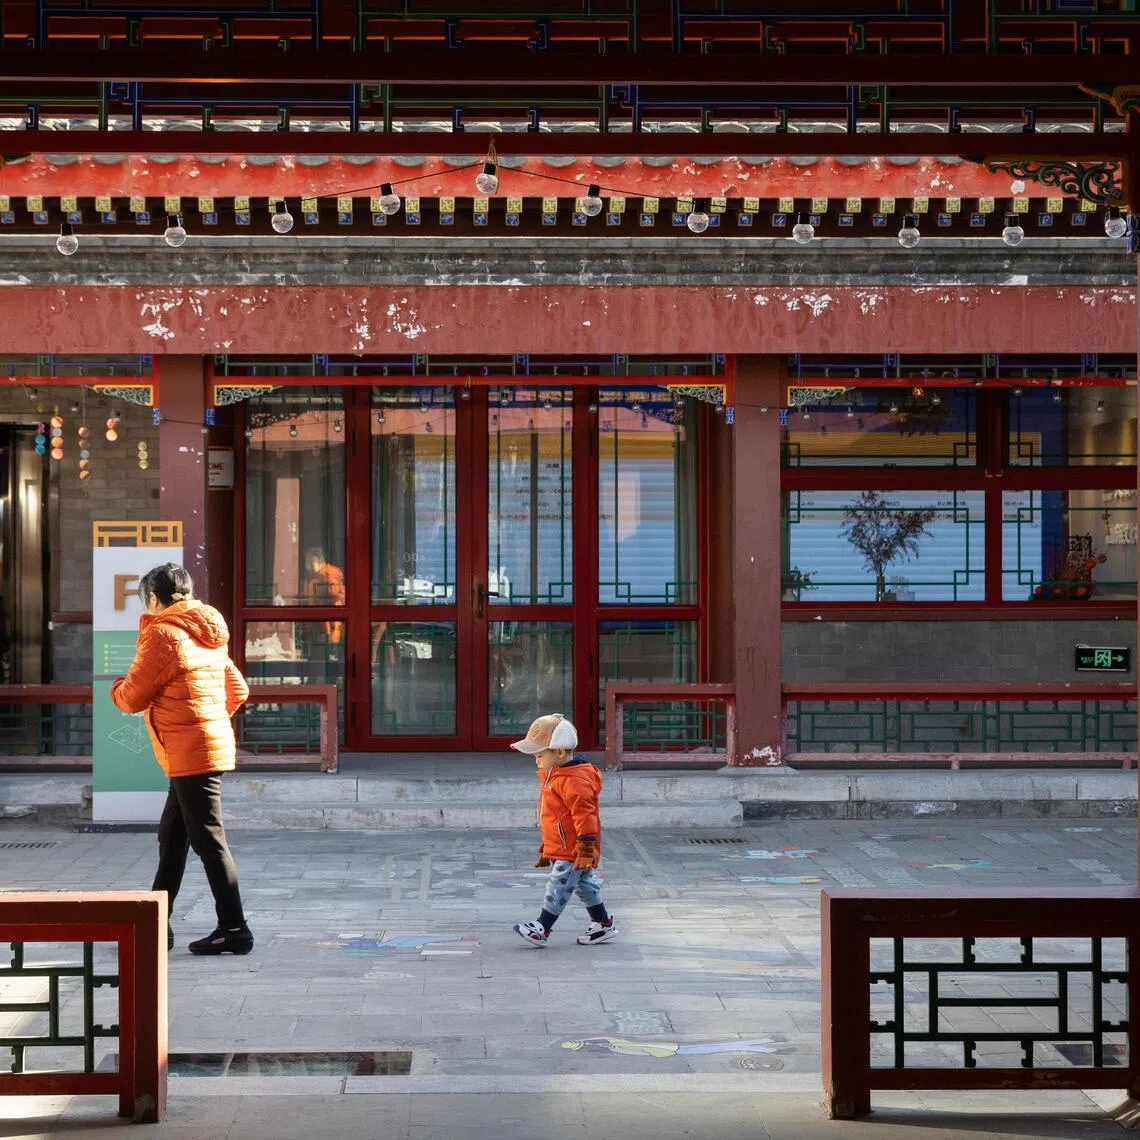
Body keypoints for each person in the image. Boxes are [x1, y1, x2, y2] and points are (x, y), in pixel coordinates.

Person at [111, 563, 254, 956]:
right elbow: (237, 688)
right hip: (201, 745)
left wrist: (116, 689)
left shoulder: (162, 633)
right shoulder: (208, 630)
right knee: (172, 838)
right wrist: (205, 718)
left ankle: (235, 929)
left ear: (154, 599)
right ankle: (156, 926)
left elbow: (133, 697)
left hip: (190, 750)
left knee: (209, 841)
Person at [511, 714, 617, 948]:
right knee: (584, 884)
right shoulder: (555, 774)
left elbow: (585, 816)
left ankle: (543, 927)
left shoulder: (574, 780)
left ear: (559, 752)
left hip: (574, 847)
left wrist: (586, 846)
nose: (535, 760)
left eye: (539, 755)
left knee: (559, 883)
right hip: (563, 844)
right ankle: (603, 923)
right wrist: (548, 845)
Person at [303, 547, 345, 651]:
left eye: (309, 561)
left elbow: (334, 593)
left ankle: (332, 648)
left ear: (315, 560)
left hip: (331, 614)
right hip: (318, 615)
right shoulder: (316, 576)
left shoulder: (330, 573)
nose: (307, 566)